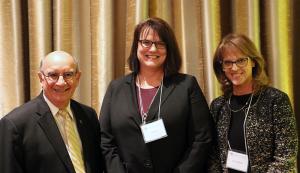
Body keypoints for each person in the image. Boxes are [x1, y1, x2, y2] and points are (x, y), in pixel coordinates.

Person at [100, 17, 214, 173]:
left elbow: (202, 138)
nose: (153, 49)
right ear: (136, 46)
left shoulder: (186, 85)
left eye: (160, 44)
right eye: (146, 42)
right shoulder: (116, 88)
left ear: (169, 49)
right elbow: (105, 141)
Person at [0, 51, 106, 173]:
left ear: (77, 78)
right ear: (41, 78)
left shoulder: (88, 116)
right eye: (53, 75)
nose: (61, 82)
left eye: (68, 74)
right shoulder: (14, 124)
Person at [209, 33, 298, 172]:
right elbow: (213, 156)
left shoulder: (275, 100)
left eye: (241, 60)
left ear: (253, 62)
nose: (234, 68)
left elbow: (285, 157)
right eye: (228, 62)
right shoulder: (218, 106)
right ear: (222, 67)